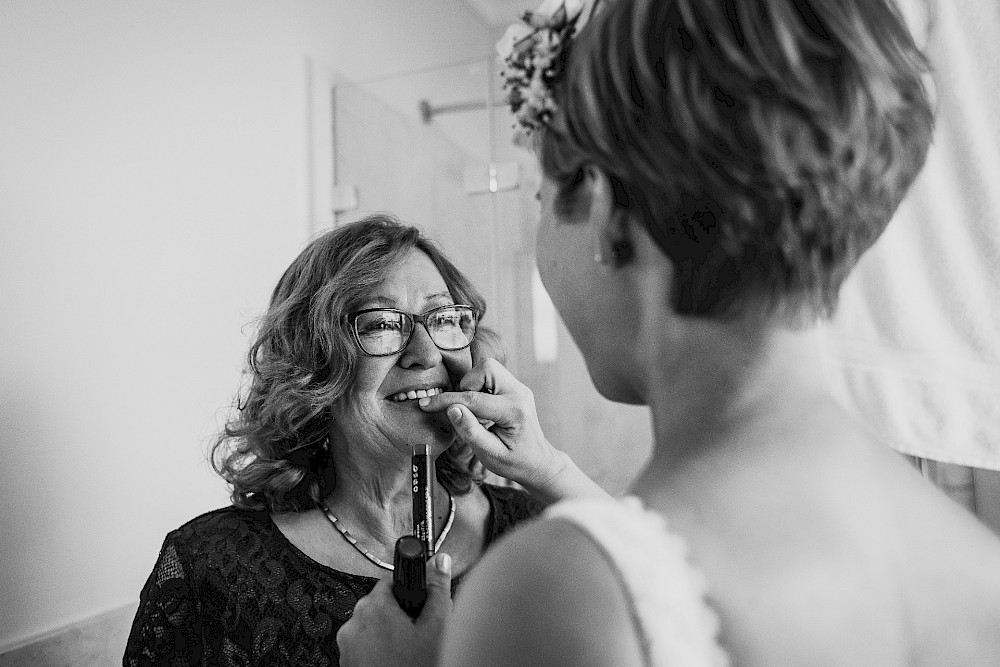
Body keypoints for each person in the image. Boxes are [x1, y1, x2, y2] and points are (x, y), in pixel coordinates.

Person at [337, 0, 1000, 664]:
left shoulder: (556, 591)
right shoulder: (972, 564)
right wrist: (552, 468)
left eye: (542, 200)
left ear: (602, 210)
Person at [122, 213, 603, 666]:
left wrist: (549, 468)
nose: (425, 353)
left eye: (442, 319)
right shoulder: (210, 568)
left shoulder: (537, 529)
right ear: (313, 365)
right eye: (381, 324)